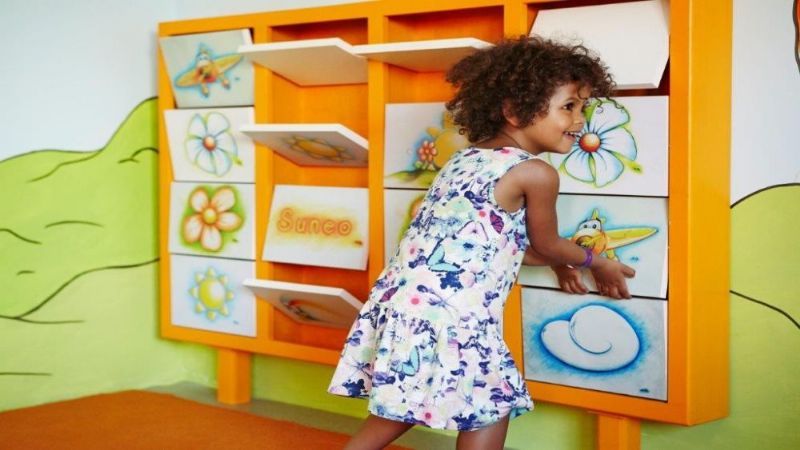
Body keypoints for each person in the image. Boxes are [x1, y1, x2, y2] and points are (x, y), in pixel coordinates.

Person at [328, 36, 636, 450]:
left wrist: (555, 261)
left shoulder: (463, 160)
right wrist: (596, 261)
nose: (580, 121)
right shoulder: (535, 173)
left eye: (583, 108)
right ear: (514, 111)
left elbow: (491, 242)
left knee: (406, 402)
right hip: (456, 313)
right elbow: (545, 244)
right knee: (492, 402)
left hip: (406, 300)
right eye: (568, 107)